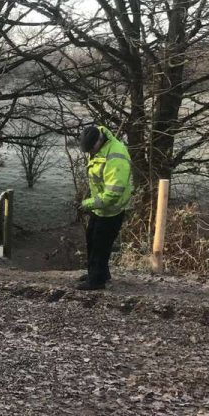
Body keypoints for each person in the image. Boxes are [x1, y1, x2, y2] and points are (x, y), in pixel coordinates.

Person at [77, 124, 132, 291]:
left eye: (90, 149)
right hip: (100, 206)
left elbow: (112, 194)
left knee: (100, 243)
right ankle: (100, 272)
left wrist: (87, 204)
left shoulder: (116, 156)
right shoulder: (99, 147)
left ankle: (96, 281)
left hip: (111, 208)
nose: (89, 154)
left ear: (98, 141)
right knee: (92, 238)